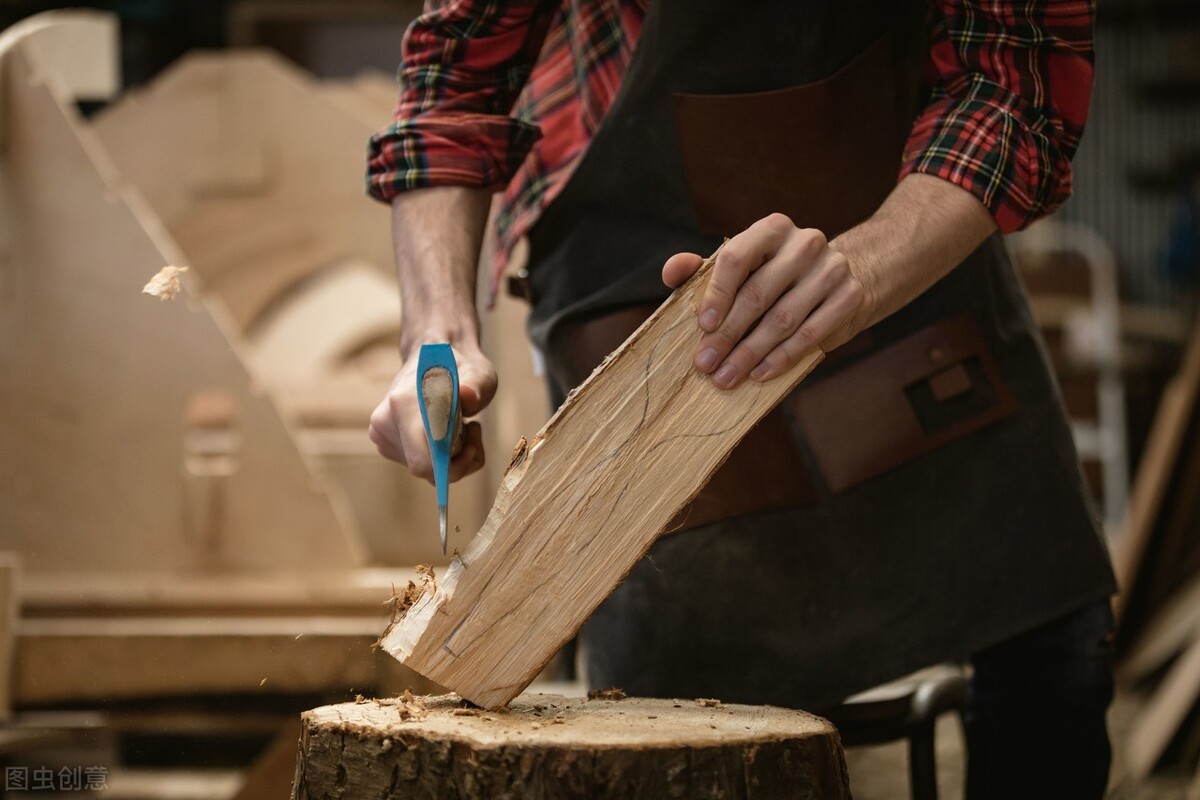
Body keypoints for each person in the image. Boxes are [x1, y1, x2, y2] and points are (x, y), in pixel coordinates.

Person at [365, 1, 1118, 796]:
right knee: (674, 731)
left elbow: (1013, 78)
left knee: (1048, 659)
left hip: (908, 225)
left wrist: (866, 267)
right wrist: (434, 332)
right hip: (633, 277)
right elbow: (457, 75)